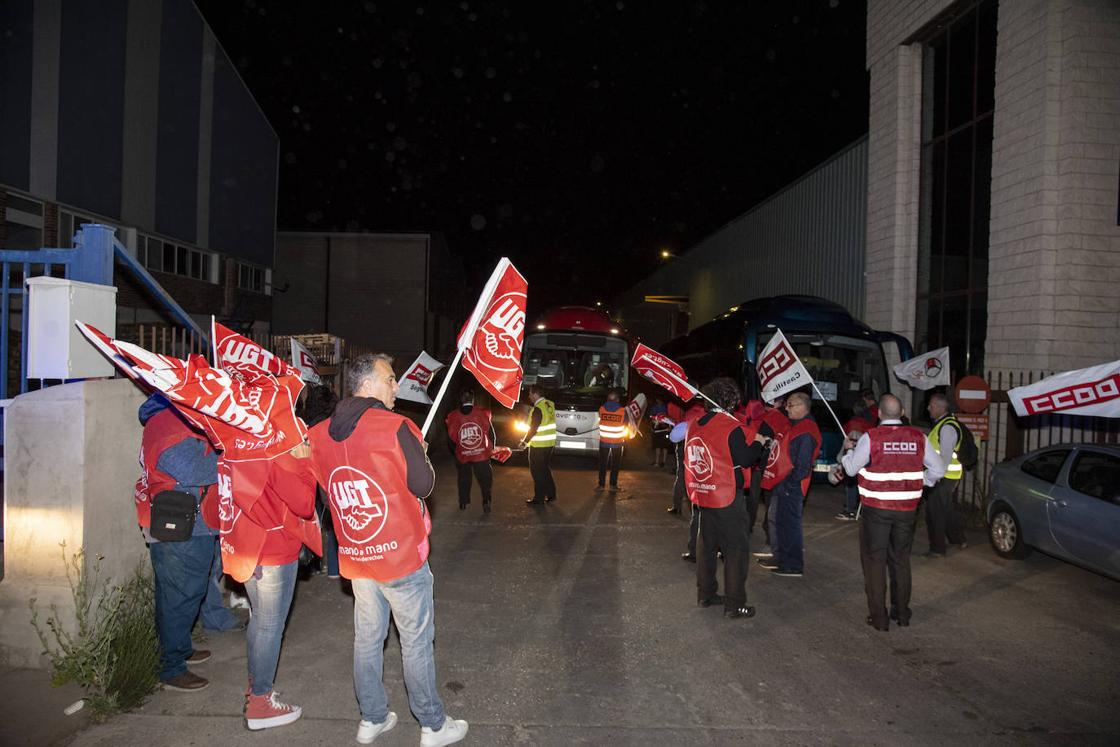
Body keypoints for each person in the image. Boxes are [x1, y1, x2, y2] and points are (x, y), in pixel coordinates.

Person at [307, 354, 468, 746]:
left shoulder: (319, 433)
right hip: (400, 557)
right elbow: (424, 485)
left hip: (359, 556)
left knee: (367, 639)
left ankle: (372, 718)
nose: (397, 387)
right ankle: (432, 725)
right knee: (414, 642)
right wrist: (421, 453)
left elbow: (329, 492)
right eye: (391, 379)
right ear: (368, 384)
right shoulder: (396, 427)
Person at [136, 393, 220, 692]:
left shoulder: (172, 422)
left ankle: (179, 648)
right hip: (181, 525)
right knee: (179, 596)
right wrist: (231, 459)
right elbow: (193, 470)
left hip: (187, 522)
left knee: (183, 594)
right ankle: (170, 667)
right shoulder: (167, 424)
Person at [841, 394, 945, 630]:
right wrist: (924, 482)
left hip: (876, 509)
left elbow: (850, 470)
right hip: (907, 509)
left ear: (879, 414)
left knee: (875, 562)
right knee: (900, 560)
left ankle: (879, 618)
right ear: (903, 412)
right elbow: (938, 468)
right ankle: (902, 613)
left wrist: (848, 451)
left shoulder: (871, 437)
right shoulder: (918, 437)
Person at [680, 378, 768, 618]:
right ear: (730, 401)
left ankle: (706, 594)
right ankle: (735, 603)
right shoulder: (730, 427)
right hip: (726, 496)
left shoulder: (695, 424)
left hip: (702, 492)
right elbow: (746, 459)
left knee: (707, 547)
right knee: (736, 551)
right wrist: (760, 444)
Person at [762, 391, 820, 578]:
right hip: (783, 482)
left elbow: (802, 467)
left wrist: (789, 485)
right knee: (777, 521)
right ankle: (779, 557)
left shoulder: (806, 431)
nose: (786, 408)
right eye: (786, 404)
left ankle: (793, 564)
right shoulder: (796, 426)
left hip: (791, 486)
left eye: (791, 405)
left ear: (803, 406)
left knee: (789, 525)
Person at [300, 384, 341, 578]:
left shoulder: (303, 422)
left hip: (308, 476)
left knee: (312, 520)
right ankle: (334, 568)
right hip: (328, 475)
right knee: (333, 521)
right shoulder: (333, 422)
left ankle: (313, 564)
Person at [923, 393, 968, 557]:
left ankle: (937, 549)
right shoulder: (943, 424)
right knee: (946, 508)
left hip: (944, 476)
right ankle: (958, 539)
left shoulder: (947, 427)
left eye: (931, 405)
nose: (928, 408)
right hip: (946, 475)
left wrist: (936, 476)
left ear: (941, 408)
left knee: (934, 511)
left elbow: (946, 456)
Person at [445, 389, 496, 513]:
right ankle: (486, 500)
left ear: (461, 401)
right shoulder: (482, 413)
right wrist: (491, 449)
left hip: (462, 454)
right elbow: (491, 433)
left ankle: (463, 502)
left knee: (463, 478)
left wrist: (456, 452)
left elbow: (450, 438)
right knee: (485, 478)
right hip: (481, 454)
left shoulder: (453, 416)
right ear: (473, 400)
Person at [752, 397, 790, 559]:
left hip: (771, 467)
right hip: (785, 468)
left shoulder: (770, 418)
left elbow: (760, 442)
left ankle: (772, 545)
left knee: (771, 507)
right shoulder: (792, 419)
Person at [668, 398, 707, 559]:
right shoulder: (721, 416)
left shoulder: (689, 411)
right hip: (714, 468)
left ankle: (694, 551)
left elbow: (675, 435)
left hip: (690, 448)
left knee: (698, 511)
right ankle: (720, 549)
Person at [835, 401, 875, 521]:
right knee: (860, 485)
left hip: (853, 457)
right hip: (866, 459)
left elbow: (846, 441)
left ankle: (850, 510)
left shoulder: (852, 424)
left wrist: (842, 457)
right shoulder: (869, 425)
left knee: (850, 484)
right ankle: (859, 509)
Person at [520, 385, 557, 505]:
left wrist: (524, 442)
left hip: (539, 445)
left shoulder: (538, 409)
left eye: (530, 394)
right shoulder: (549, 404)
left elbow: (533, 428)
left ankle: (539, 498)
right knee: (545, 470)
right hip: (549, 444)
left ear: (535, 394)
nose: (529, 396)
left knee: (537, 472)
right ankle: (551, 495)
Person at [596, 389, 630, 490]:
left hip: (604, 441)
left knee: (602, 464)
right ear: (618, 400)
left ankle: (601, 485)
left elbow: (600, 420)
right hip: (617, 442)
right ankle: (613, 485)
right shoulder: (623, 411)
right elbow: (626, 424)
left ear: (607, 399)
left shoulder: (601, 409)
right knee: (615, 465)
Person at [648, 397, 671, 467]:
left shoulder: (666, 407)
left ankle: (661, 462)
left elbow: (670, 417)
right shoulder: (659, 407)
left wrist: (669, 426)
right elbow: (651, 418)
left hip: (663, 428)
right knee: (659, 445)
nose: (658, 400)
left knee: (663, 445)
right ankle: (658, 462)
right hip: (659, 428)